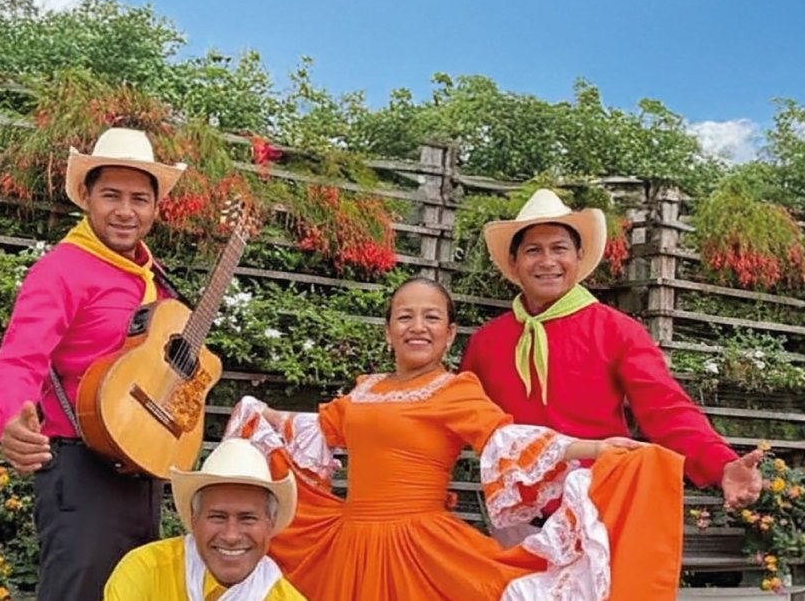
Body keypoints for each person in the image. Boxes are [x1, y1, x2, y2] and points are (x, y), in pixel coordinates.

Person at [224, 277, 686, 600]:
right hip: (348, 543)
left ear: (449, 335)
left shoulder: (456, 389)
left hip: (420, 547)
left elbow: (504, 442)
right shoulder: (365, 391)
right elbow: (310, 433)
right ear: (389, 332)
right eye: (405, 317)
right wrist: (257, 415)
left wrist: (593, 448)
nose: (417, 326)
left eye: (431, 318)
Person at [459, 188, 764, 517]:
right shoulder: (487, 341)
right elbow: (458, 417)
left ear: (578, 257)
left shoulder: (617, 330)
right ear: (514, 263)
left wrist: (721, 463)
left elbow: (666, 409)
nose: (547, 261)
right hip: (514, 512)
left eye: (559, 248)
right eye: (533, 250)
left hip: (601, 507)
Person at [0, 127, 188, 600]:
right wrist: (12, 418)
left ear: (155, 209)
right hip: (79, 467)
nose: (125, 211)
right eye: (111, 195)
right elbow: (19, 357)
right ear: (86, 198)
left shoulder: (156, 281)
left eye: (139, 199)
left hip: (142, 471)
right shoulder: (61, 269)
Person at [104, 438, 309, 600]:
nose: (231, 536)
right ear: (194, 520)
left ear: (270, 524)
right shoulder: (146, 571)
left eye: (247, 519)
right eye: (217, 517)